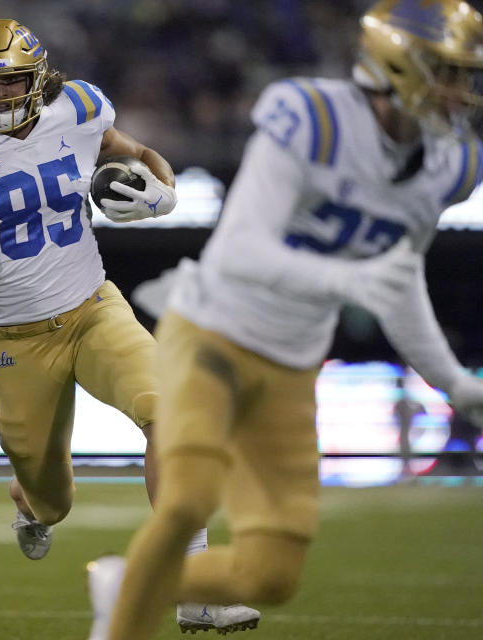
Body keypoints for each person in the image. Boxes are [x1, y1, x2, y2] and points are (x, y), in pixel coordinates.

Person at [86, 2, 483, 639]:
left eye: (466, 76)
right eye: (447, 71)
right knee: (188, 499)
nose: (461, 92)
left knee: (271, 575)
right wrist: (348, 279)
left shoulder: (448, 165)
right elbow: (241, 248)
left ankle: (124, 582)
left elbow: (400, 277)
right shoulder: (315, 119)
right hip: (212, 333)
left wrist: (452, 381)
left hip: (293, 365)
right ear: (397, 64)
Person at [0, 19, 258, 633]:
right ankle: (27, 498)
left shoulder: (78, 109)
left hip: (94, 310)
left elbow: (138, 154)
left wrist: (164, 192)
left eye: (13, 81)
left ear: (39, 80)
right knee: (51, 500)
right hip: (15, 342)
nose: (2, 95)